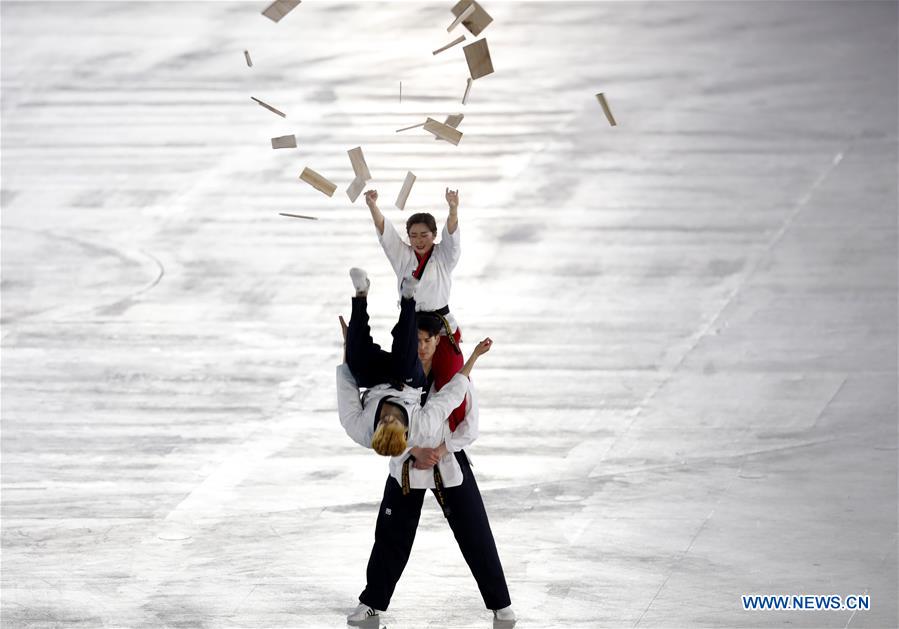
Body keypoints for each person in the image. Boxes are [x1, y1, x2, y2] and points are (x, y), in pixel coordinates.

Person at [336, 268, 515, 624]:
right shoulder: (398, 377)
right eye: (415, 339)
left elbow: (469, 424)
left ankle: (501, 604)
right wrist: (412, 451)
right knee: (390, 537)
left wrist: (441, 451)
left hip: (447, 461)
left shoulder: (451, 372)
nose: (421, 346)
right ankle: (372, 602)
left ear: (437, 341)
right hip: (405, 465)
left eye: (427, 340)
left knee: (475, 533)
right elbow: (387, 427)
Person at [364, 188, 467, 431]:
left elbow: (452, 235)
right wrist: (372, 205)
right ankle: (410, 429)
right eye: (413, 236)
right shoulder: (402, 256)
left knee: (451, 380)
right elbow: (385, 233)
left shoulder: (444, 256)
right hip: (410, 328)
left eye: (424, 235)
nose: (419, 241)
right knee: (409, 383)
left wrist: (453, 209)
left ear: (433, 235)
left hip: (441, 329)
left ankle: (453, 431)